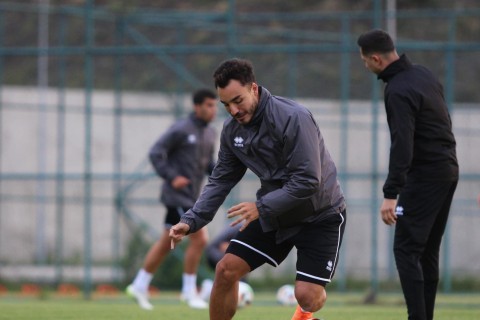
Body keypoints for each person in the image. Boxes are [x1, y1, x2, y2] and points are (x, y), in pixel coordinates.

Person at [170, 58, 346, 320]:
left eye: (237, 100)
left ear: (253, 88)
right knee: (225, 269)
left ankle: (305, 314)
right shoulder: (232, 132)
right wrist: (191, 220)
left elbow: (309, 180)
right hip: (275, 215)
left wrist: (261, 207)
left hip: (319, 214)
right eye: (225, 105)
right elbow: (221, 180)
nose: (233, 110)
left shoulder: (293, 118)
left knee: (307, 296)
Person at [357, 29, 459, 320]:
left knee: (406, 250)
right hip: (448, 169)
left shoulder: (398, 89)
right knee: (426, 252)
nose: (365, 66)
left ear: (376, 59)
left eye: (365, 61)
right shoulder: (424, 75)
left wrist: (391, 193)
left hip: (425, 176)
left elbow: (403, 144)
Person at [126, 88, 218, 310]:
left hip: (192, 197)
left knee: (166, 242)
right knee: (200, 240)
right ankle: (188, 291)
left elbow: (207, 165)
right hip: (177, 196)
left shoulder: (210, 133)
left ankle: (139, 284)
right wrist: (172, 176)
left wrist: (224, 174)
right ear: (197, 106)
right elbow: (156, 152)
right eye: (208, 105)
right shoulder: (180, 129)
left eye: (215, 106)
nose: (213, 110)